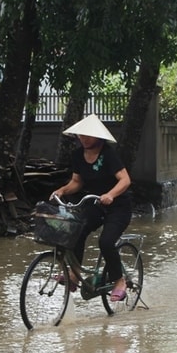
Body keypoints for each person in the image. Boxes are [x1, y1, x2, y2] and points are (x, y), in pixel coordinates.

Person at [51, 114, 132, 302]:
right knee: (77, 231)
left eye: (88, 135)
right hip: (95, 203)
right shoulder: (78, 155)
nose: (83, 138)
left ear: (98, 137)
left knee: (106, 242)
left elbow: (125, 180)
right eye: (81, 135)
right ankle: (74, 274)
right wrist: (62, 190)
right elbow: (77, 182)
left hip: (118, 207)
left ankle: (119, 281)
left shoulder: (108, 154)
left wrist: (111, 194)